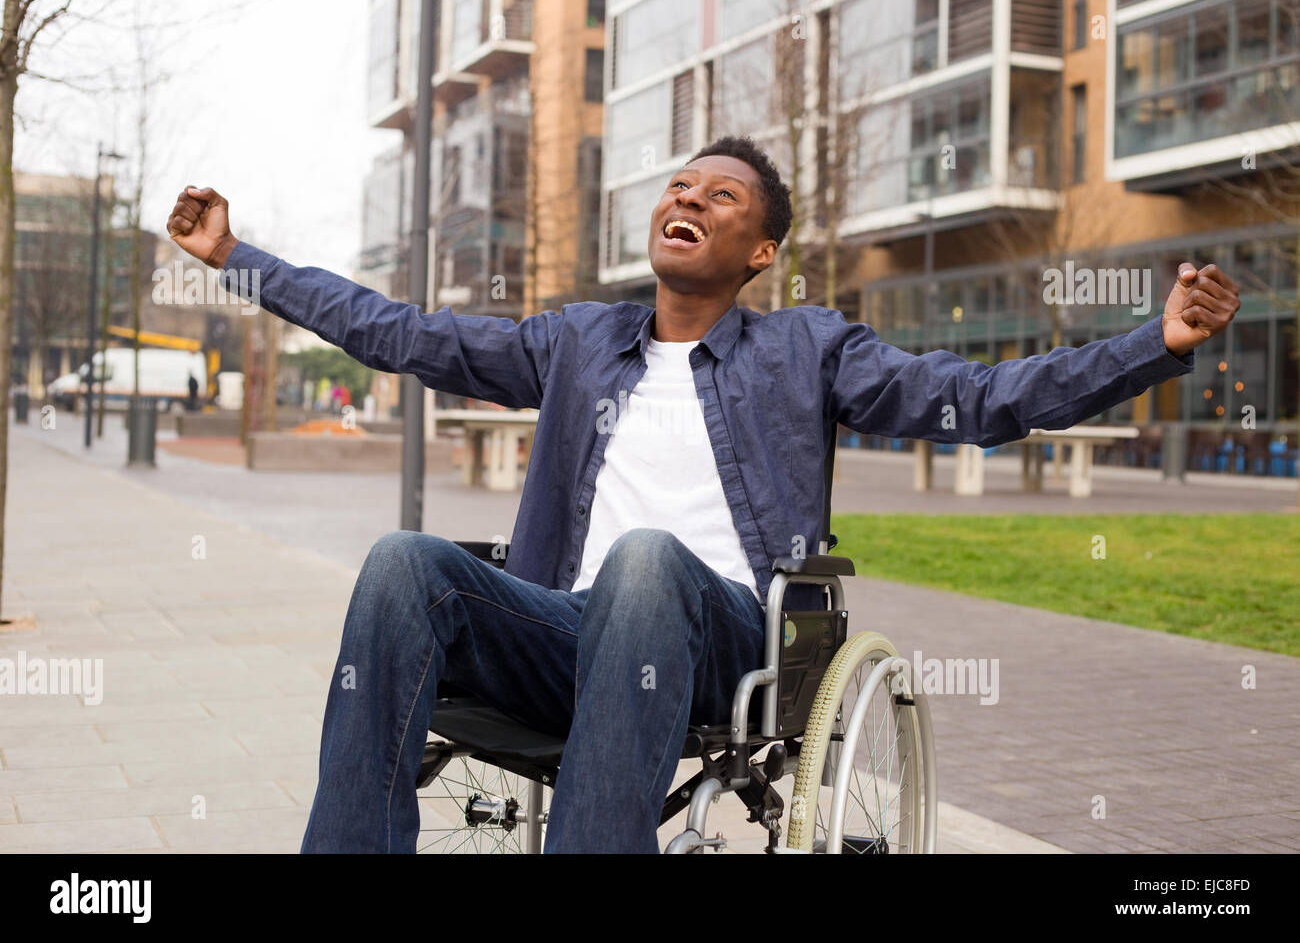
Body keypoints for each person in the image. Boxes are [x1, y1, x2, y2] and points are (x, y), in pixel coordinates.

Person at [165, 135, 1241, 854]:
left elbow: (983, 394)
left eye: (718, 195)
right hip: (567, 632)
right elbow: (397, 332)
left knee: (643, 560)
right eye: (680, 185)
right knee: (406, 560)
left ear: (758, 250)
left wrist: (1156, 342)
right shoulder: (578, 339)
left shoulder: (809, 347)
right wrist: (236, 258)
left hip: (731, 639)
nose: (686, 196)